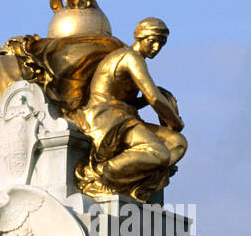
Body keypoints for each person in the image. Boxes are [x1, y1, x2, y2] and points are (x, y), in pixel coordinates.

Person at [74, 17, 187, 200]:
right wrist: (175, 120)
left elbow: (133, 100)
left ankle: (135, 186)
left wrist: (143, 102)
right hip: (106, 116)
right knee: (158, 152)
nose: (156, 48)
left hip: (124, 115)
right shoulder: (130, 57)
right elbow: (154, 98)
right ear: (140, 38)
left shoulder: (134, 59)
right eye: (152, 41)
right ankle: (97, 174)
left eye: (161, 43)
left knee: (177, 143)